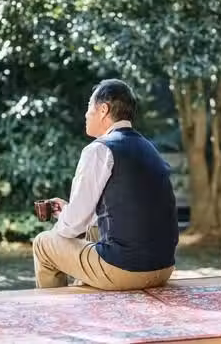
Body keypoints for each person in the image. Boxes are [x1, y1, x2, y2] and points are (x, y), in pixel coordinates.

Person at [32, 79, 179, 290]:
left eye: (88, 107)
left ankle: (56, 309)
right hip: (163, 268)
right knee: (93, 229)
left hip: (126, 271)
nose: (86, 114)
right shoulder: (148, 147)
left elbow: (72, 226)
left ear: (103, 110)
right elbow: (126, 210)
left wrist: (65, 221)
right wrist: (69, 212)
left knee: (43, 243)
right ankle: (88, 295)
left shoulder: (99, 150)